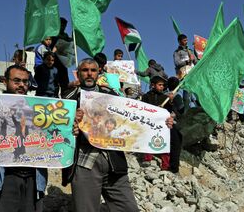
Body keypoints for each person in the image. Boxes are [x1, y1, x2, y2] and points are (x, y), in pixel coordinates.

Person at [61, 58, 175, 212]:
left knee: (128, 208)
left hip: (113, 161)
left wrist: (162, 122)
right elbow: (59, 130)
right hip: (85, 161)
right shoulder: (68, 98)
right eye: (85, 70)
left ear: (98, 72)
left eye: (93, 70)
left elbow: (133, 116)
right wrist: (72, 123)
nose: (89, 74)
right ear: (78, 74)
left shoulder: (112, 94)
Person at [0, 65, 48, 212]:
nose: (22, 85)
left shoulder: (38, 108)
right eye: (17, 81)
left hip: (32, 179)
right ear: (5, 81)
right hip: (4, 180)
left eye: (25, 82)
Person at [141, 76, 172, 171]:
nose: (162, 87)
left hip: (162, 125)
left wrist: (170, 101)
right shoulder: (146, 96)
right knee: (148, 139)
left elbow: (170, 111)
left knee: (164, 142)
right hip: (149, 123)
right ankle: (147, 159)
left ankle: (165, 165)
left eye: (163, 85)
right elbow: (143, 108)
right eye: (160, 85)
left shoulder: (165, 98)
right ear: (153, 85)